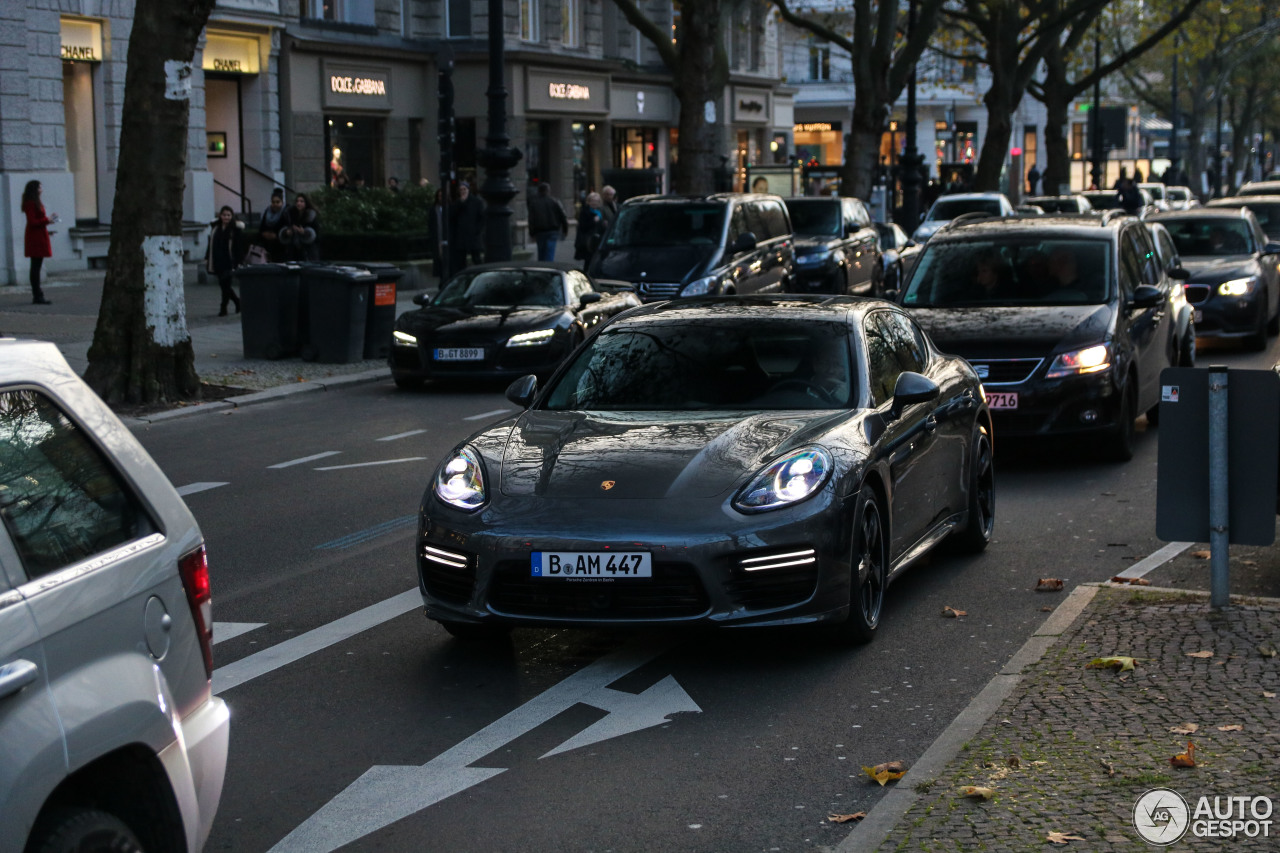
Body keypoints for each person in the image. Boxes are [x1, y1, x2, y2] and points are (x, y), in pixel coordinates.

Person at [206, 205, 246, 316]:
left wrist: (239, 261)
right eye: (224, 215)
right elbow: (211, 244)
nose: (226, 217)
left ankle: (223, 308)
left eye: (228, 215)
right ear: (220, 216)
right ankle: (238, 302)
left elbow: (239, 248)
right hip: (218, 260)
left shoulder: (235, 230)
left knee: (225, 285)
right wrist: (207, 258)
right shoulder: (216, 228)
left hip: (229, 261)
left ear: (232, 216)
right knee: (223, 285)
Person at [20, 180, 55, 305]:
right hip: (35, 237)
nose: (41, 189)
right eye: (40, 187)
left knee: (36, 266)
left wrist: (47, 221)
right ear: (35, 189)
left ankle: (38, 294)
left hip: (38, 235)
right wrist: (47, 220)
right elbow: (33, 222)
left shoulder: (34, 202)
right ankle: (37, 295)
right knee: (35, 267)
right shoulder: (31, 203)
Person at [527, 183, 569, 262]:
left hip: (540, 231)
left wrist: (532, 233)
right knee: (549, 252)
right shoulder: (554, 201)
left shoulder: (534, 203)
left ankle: (543, 268)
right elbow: (563, 216)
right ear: (548, 191)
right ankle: (549, 268)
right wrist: (565, 230)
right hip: (552, 230)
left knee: (541, 253)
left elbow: (531, 219)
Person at [449, 181, 486, 272]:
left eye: (464, 189)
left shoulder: (477, 202)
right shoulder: (457, 203)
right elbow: (452, 216)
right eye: (461, 190)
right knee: (461, 261)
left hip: (473, 236)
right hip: (461, 237)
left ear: (468, 190)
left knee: (476, 258)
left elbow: (482, 218)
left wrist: (477, 230)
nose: (463, 191)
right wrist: (461, 203)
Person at [280, 193, 320, 262]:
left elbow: (316, 233)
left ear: (306, 203)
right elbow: (284, 228)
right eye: (297, 201)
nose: (299, 203)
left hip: (308, 250)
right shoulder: (290, 214)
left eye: (301, 201)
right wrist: (287, 232)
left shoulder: (311, 216)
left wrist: (305, 232)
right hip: (293, 250)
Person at [575, 191, 607, 268]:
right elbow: (582, 226)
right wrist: (593, 221)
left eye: (596, 201)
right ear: (589, 202)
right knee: (589, 261)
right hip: (589, 241)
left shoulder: (600, 211)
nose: (594, 203)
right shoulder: (585, 212)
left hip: (599, 239)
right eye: (592, 201)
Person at [257, 188, 288, 262]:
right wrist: (264, 233)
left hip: (281, 247)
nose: (275, 204)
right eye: (273, 202)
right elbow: (262, 227)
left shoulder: (286, 211)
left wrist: (277, 235)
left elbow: (286, 227)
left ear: (282, 202)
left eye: (278, 202)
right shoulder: (268, 211)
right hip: (267, 245)